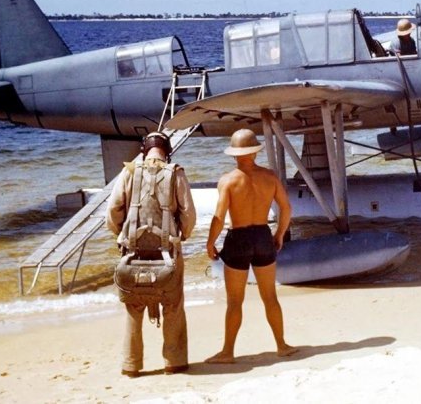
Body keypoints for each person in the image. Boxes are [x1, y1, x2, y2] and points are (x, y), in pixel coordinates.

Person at [106, 131, 196, 378]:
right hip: (168, 256)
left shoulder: (129, 172)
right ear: (167, 151)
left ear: (144, 150)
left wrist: (121, 235)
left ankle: (131, 364)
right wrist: (181, 238)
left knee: (133, 309)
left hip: (132, 255)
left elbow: (112, 212)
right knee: (173, 307)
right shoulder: (175, 173)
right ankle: (174, 362)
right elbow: (189, 216)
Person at [205, 128, 298, 363]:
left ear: (235, 154)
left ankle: (227, 352)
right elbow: (286, 208)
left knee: (235, 301)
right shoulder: (270, 177)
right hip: (263, 235)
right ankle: (282, 345)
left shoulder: (228, 181)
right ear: (255, 152)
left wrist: (210, 243)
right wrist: (279, 234)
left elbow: (219, 217)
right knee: (270, 297)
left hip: (238, 239)